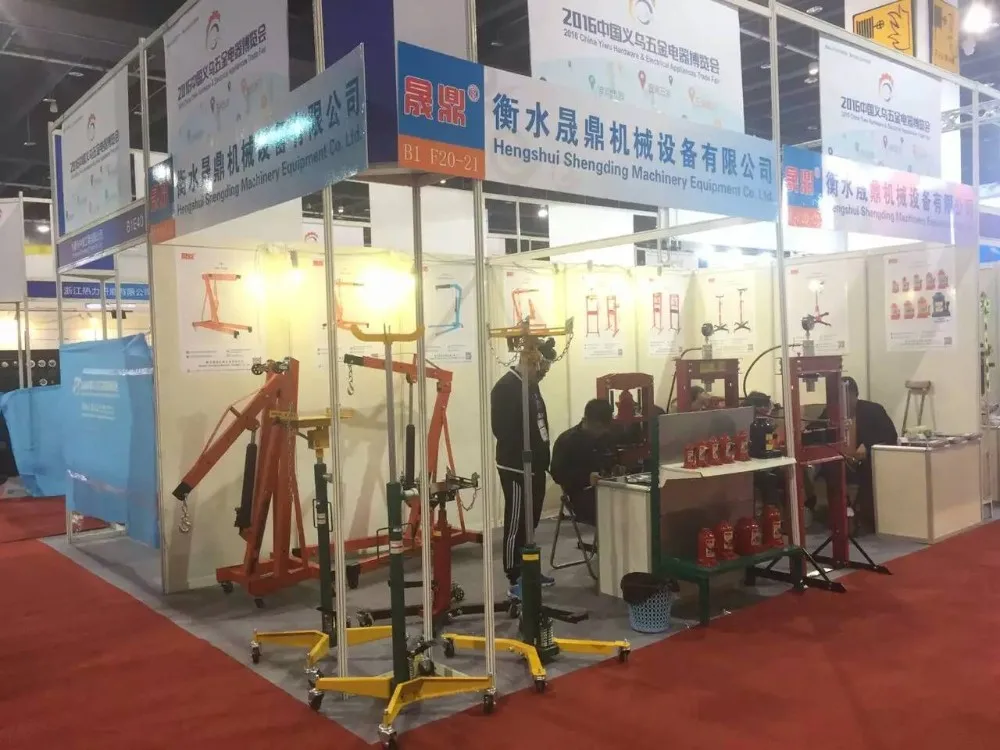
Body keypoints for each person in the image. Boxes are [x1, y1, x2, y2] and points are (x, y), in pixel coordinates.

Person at [491, 337, 557, 598]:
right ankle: (515, 573)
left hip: (535, 465)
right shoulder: (506, 388)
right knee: (517, 521)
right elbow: (503, 430)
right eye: (542, 367)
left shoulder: (531, 385)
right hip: (516, 467)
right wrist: (526, 457)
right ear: (531, 361)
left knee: (531, 520)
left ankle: (529, 569)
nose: (544, 373)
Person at [550, 399, 616, 528]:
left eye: (604, 428)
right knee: (610, 511)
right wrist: (586, 478)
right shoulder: (567, 441)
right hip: (580, 492)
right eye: (597, 428)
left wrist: (615, 467)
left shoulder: (606, 436)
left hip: (607, 488)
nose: (600, 432)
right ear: (585, 420)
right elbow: (557, 474)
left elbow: (611, 458)